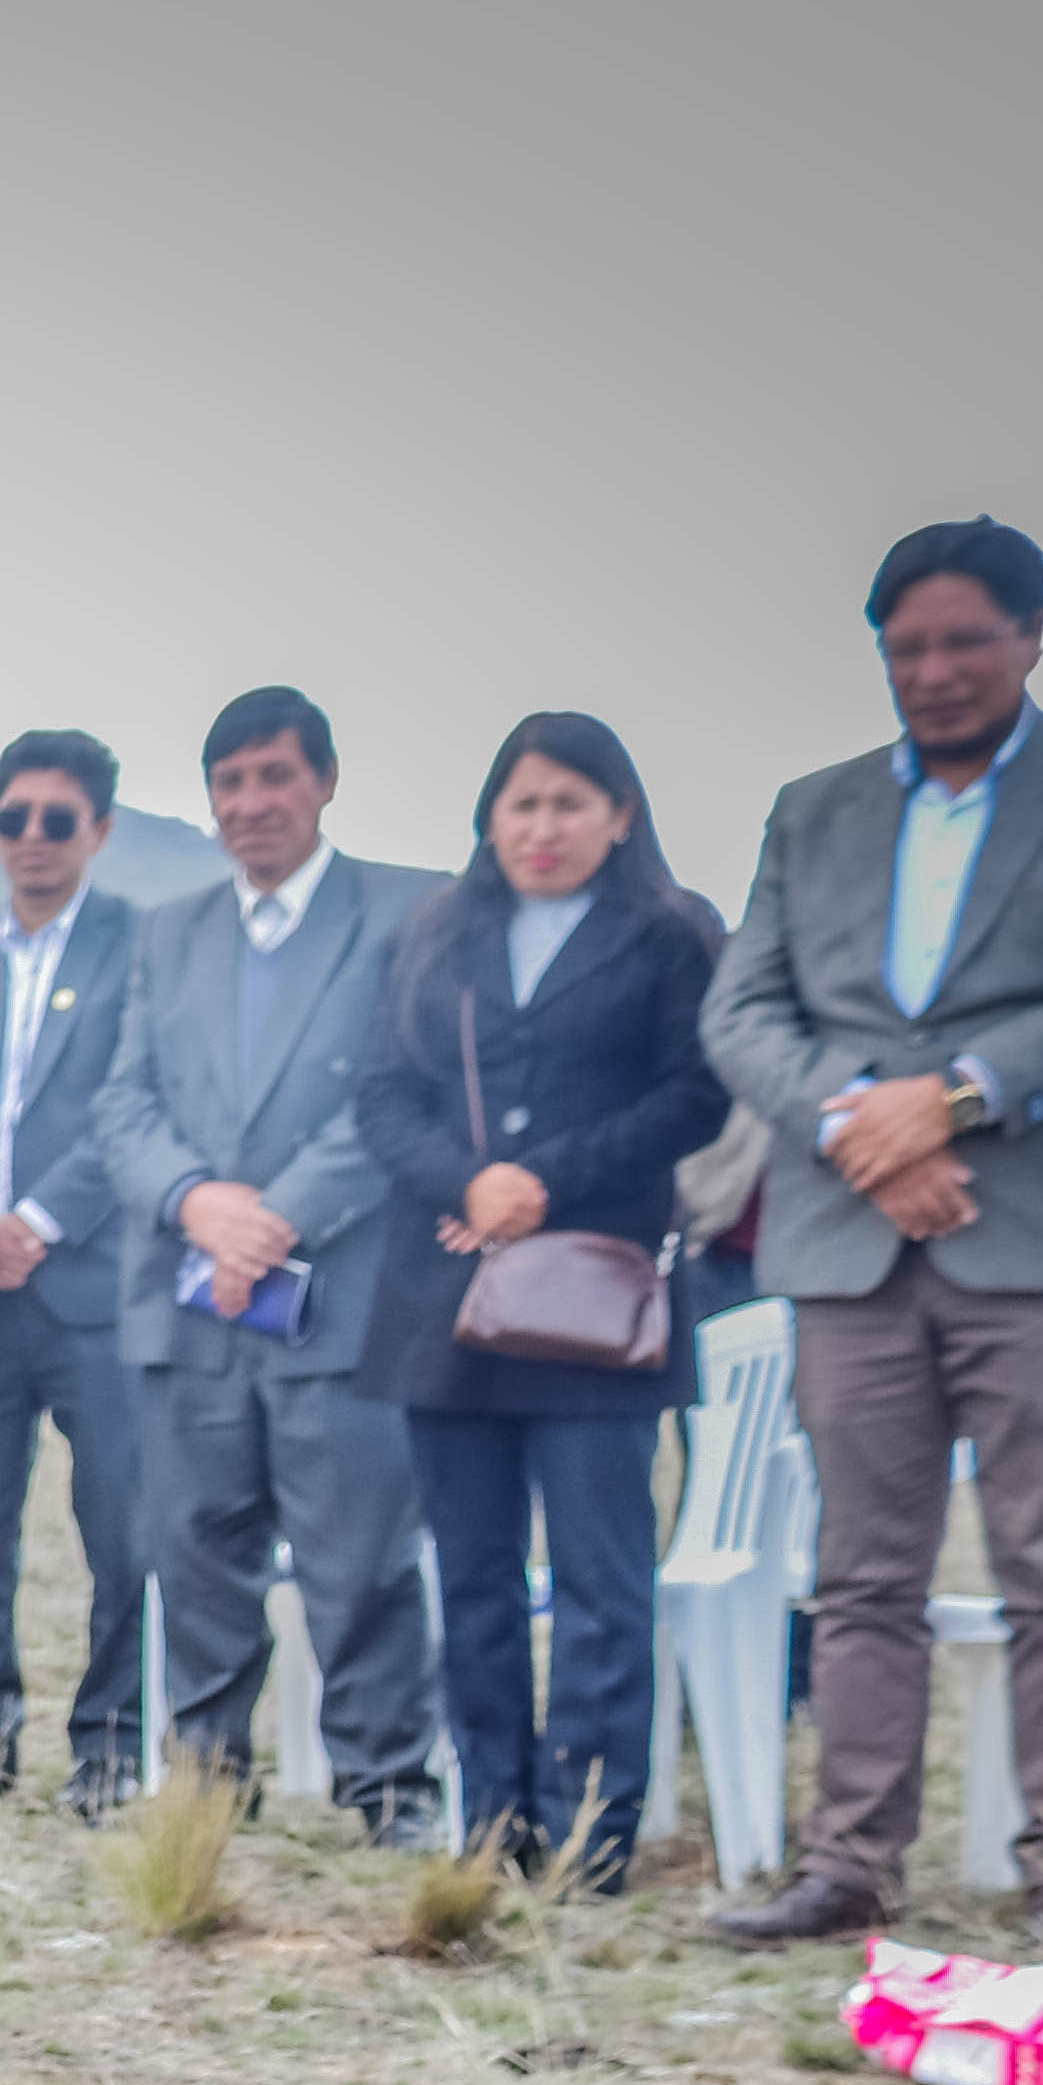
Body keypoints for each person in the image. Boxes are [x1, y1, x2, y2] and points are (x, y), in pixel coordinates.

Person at [698, 517, 1043, 1949]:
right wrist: (863, 1125)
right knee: (861, 1572)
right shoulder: (813, 812)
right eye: (906, 646)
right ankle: (849, 1865)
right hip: (850, 1243)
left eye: (962, 640)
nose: (932, 670)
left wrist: (958, 1102)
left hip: (1039, 1236)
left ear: (1031, 636)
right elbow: (743, 1010)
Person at [354, 715, 730, 1888]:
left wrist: (541, 1184)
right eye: (521, 804)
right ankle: (491, 1820)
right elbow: (379, 1099)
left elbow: (697, 1096)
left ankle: (587, 1836)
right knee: (470, 1579)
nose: (542, 827)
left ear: (620, 814)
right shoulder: (433, 933)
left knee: (599, 1580)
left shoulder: (671, 937)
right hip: (447, 1302)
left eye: (570, 803)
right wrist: (467, 1182)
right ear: (489, 818)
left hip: (592, 1303)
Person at [91, 687, 437, 1835]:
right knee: (193, 1555)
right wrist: (199, 1205)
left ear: (325, 781)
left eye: (274, 777)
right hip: (190, 1306)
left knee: (360, 1561)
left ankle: (387, 1785)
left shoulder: (400, 915)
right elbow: (124, 1105)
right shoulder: (167, 930)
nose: (251, 804)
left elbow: (400, 1094)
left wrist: (273, 1219)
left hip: (337, 1299)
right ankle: (206, 1789)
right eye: (229, 783)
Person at [0, 733, 156, 1814]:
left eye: (57, 819)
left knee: (123, 1534)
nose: (33, 838)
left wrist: (44, 1218)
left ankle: (112, 1751)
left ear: (98, 831)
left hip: (97, 1290)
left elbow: (135, 1100)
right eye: (14, 817)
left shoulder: (142, 954)